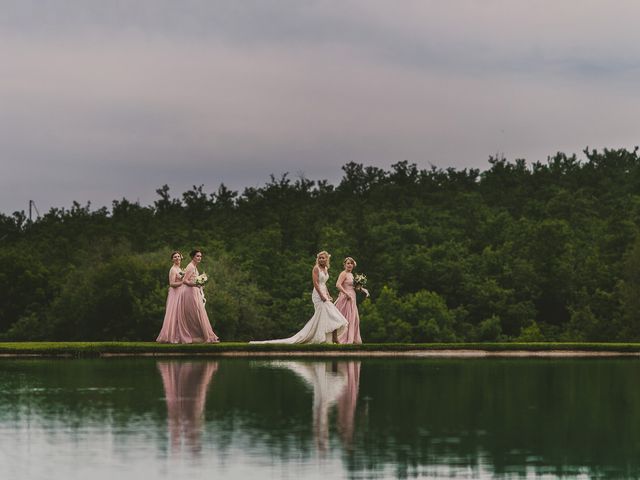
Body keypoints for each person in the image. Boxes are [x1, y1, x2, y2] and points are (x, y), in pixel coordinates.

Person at [250, 251, 347, 344]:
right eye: (320, 258)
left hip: (324, 292)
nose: (321, 259)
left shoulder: (325, 269)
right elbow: (316, 283)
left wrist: (328, 294)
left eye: (323, 258)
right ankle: (328, 338)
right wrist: (321, 295)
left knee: (331, 315)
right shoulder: (316, 268)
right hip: (318, 294)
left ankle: (332, 338)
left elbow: (324, 284)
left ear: (327, 259)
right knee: (330, 314)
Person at [181, 249, 220, 343]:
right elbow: (184, 281)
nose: (199, 258)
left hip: (195, 291)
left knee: (199, 313)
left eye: (200, 256)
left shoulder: (194, 267)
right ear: (193, 257)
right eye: (197, 256)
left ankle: (204, 335)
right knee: (195, 315)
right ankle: (197, 336)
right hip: (190, 292)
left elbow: (193, 279)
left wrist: (200, 283)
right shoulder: (190, 267)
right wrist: (195, 284)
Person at [156, 251, 191, 343]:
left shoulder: (180, 269)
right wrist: (182, 282)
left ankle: (179, 336)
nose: (177, 258)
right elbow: (171, 284)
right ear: (172, 259)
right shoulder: (173, 269)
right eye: (175, 257)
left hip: (180, 293)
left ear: (181, 258)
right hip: (175, 293)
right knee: (174, 314)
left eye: (178, 256)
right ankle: (170, 336)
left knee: (180, 315)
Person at [334, 257, 363, 344]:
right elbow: (338, 285)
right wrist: (346, 293)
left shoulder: (351, 275)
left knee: (355, 318)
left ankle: (353, 338)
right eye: (348, 263)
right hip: (346, 298)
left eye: (351, 263)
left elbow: (353, 287)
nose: (350, 265)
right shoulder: (344, 273)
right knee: (347, 318)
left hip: (352, 298)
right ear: (344, 265)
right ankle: (342, 339)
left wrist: (362, 289)